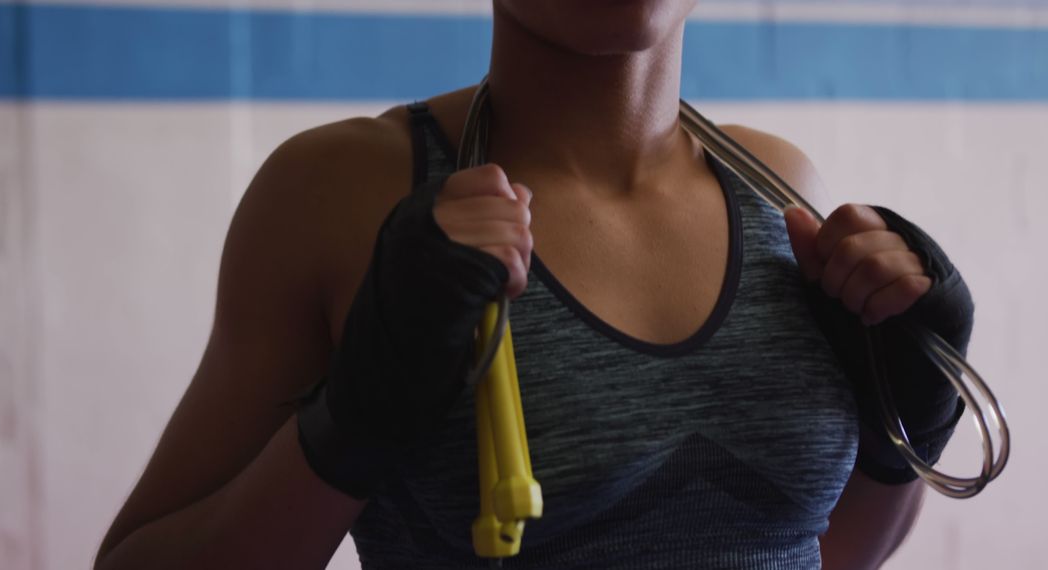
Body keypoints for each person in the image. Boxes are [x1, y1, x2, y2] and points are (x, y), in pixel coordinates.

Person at [95, 1, 972, 568]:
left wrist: (913, 421)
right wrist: (351, 426)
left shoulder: (782, 190)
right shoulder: (344, 191)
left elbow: (820, 552)